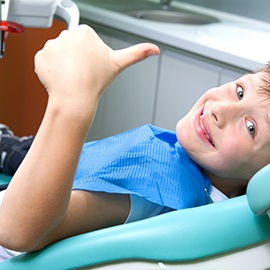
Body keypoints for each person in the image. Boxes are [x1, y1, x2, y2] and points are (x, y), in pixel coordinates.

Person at [0, 24, 269, 262]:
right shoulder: (199, 185)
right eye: (240, 91)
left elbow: (18, 230)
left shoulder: (157, 189)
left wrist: (72, 103)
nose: (220, 110)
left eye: (250, 128)